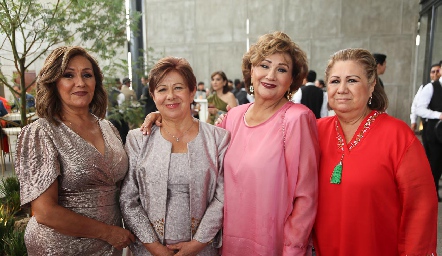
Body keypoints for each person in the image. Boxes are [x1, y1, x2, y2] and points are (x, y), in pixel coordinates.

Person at [141, 31, 319, 255]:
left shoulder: (297, 118)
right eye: (264, 65)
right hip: (229, 240)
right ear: (252, 70)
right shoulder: (234, 116)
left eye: (282, 69)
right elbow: (200, 137)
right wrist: (163, 119)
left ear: (292, 79)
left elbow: (306, 197)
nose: (271, 75)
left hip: (273, 242)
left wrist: (293, 250)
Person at [313, 48, 437, 255]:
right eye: (335, 81)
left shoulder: (398, 135)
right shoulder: (313, 132)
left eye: (352, 80)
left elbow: (420, 208)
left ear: (371, 86)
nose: (342, 89)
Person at [15, 46, 135, 255]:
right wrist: (108, 233)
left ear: (95, 82)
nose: (80, 83)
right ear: (54, 82)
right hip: (60, 246)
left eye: (87, 75)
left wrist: (162, 121)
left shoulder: (109, 128)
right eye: (68, 75)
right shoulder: (41, 132)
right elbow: (44, 212)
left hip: (109, 246)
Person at [120, 56, 229, 256]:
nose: (171, 96)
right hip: (149, 250)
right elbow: (128, 199)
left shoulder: (217, 138)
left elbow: (222, 198)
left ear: (192, 91)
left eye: (178, 88)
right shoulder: (138, 139)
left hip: (203, 248)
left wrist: (196, 244)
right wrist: (155, 248)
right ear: (153, 95)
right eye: (162, 89)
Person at [416, 60, 442, 202]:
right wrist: (438, 115)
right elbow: (420, 108)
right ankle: (430, 194)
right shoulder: (431, 88)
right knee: (434, 163)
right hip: (435, 133)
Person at [108, 77, 130, 144]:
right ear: (118, 83)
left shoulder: (107, 94)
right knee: (122, 137)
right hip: (120, 120)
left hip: (110, 118)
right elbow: (122, 110)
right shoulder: (120, 94)